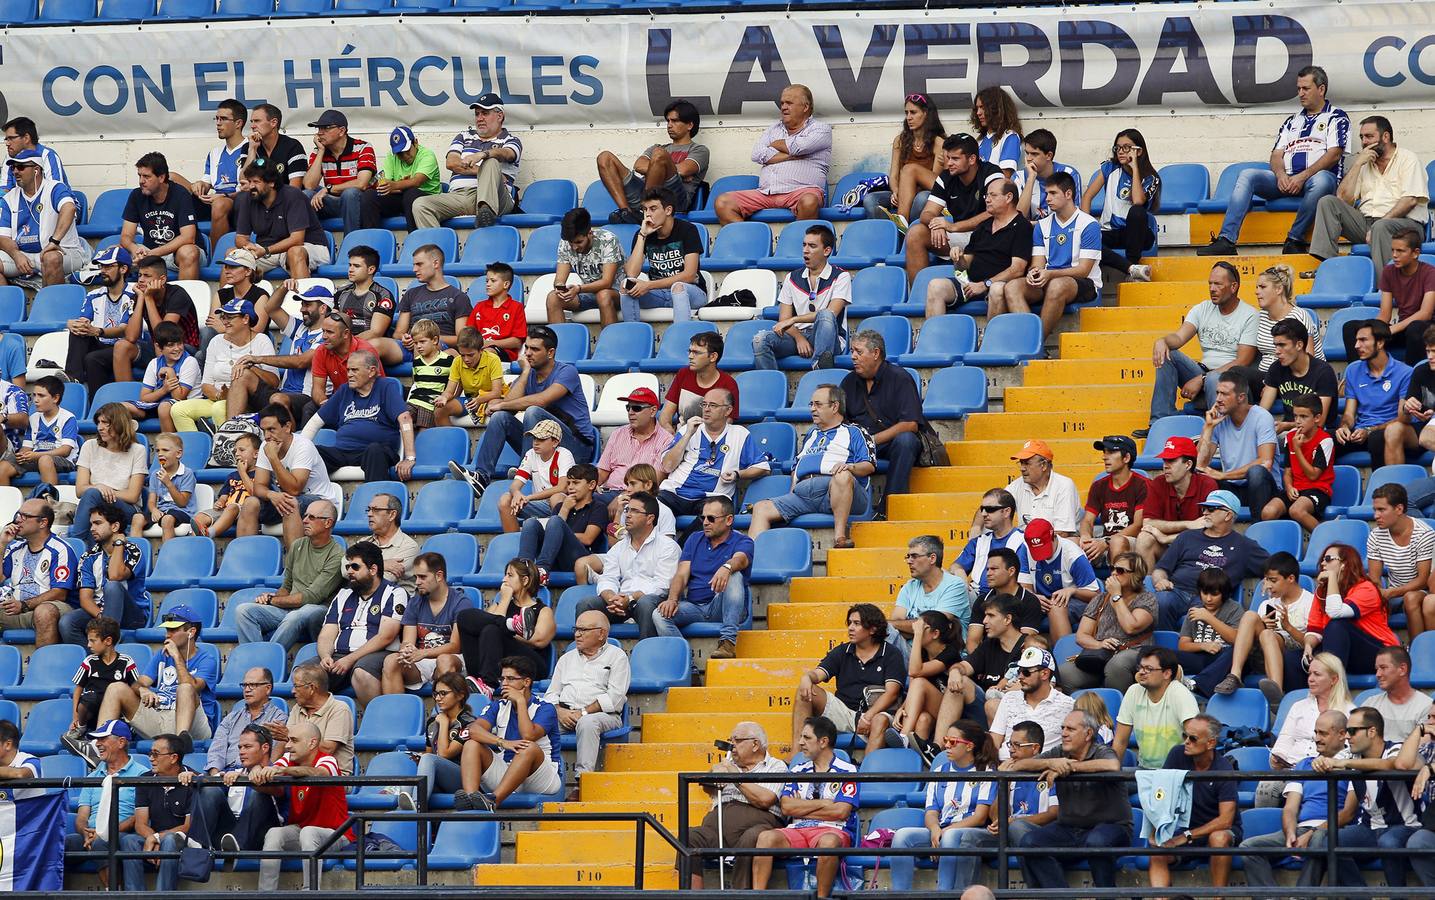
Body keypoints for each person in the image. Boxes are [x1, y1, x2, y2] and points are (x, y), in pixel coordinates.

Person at [1200, 65, 1350, 255]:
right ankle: (1226, 240)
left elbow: (1334, 154)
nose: (1300, 94)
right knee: (1247, 175)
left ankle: (1294, 239)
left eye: (1306, 88)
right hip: (1287, 181)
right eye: (1298, 89)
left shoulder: (1336, 117)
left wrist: (1301, 177)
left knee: (1322, 180)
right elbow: (1276, 154)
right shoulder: (1292, 121)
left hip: (1315, 181)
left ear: (1321, 89)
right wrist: (1280, 175)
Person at [451, 326, 598, 489]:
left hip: (576, 447)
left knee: (533, 411)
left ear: (550, 353)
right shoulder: (530, 374)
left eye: (534, 349)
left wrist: (501, 403)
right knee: (501, 418)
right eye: (526, 348)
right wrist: (526, 372)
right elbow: (508, 408)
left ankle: (525, 472)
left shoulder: (567, 371)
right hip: (546, 447)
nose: (528, 353)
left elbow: (541, 400)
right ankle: (482, 476)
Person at [1007, 709, 1129, 890]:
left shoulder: (1102, 750)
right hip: (1069, 829)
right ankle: (1060, 895)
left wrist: (1071, 767)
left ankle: (1106, 895)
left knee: (1097, 842)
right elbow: (1020, 764)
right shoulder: (1059, 753)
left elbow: (1112, 765)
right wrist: (1052, 763)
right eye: (1063, 728)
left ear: (1088, 734)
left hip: (1111, 827)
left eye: (1070, 729)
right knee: (1030, 843)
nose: (1064, 733)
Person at [1238, 710, 1360, 888]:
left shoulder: (1353, 765)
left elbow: (1348, 813)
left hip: (1333, 830)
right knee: (1249, 847)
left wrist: (1311, 834)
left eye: (1323, 733)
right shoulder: (1304, 764)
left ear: (1342, 734)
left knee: (1319, 840)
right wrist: (1290, 834)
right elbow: (1290, 808)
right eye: (1316, 733)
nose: (1317, 738)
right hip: (1302, 829)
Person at [748, 385, 873, 549]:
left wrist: (849, 467)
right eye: (811, 404)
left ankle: (840, 537)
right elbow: (796, 466)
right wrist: (793, 490)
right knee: (761, 508)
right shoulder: (811, 434)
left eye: (818, 404)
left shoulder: (855, 431)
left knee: (842, 475)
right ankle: (750, 561)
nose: (812, 409)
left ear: (835, 406)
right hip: (804, 494)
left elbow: (869, 465)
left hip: (836, 490)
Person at [750, 716, 859, 898]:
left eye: (806, 738)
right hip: (797, 830)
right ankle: (757, 897)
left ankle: (821, 898)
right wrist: (823, 804)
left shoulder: (848, 771)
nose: (800, 743)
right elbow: (786, 808)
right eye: (801, 737)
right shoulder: (797, 770)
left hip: (832, 831)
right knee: (766, 837)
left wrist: (801, 805)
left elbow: (841, 811)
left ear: (823, 742)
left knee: (829, 843)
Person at [889, 720, 998, 893]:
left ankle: (943, 893)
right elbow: (931, 811)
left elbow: (980, 817)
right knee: (902, 836)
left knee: (950, 836)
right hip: (942, 829)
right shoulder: (940, 771)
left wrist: (946, 831)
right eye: (946, 740)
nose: (946, 745)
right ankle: (899, 894)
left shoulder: (986, 771)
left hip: (969, 831)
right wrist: (934, 829)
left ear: (969, 746)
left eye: (953, 742)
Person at [1148, 263, 1258, 424]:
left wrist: (1203, 379)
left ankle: (1221, 430)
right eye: (1210, 284)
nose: (1212, 289)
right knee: (1168, 353)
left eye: (1218, 284)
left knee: (1214, 378)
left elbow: (1242, 361)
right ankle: (1160, 423)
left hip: (1231, 379)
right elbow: (1178, 338)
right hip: (1203, 373)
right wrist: (1162, 341)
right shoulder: (1202, 309)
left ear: (1233, 286)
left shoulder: (1250, 316)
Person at [251, 720, 354, 891]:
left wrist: (283, 771)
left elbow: (318, 773)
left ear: (312, 743)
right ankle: (265, 893)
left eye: (294, 741)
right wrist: (256, 770)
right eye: (288, 740)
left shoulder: (328, 760)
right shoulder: (288, 759)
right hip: (303, 831)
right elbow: (269, 771)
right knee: (274, 834)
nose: (288, 746)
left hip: (336, 834)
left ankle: (310, 893)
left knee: (309, 832)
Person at [683, 721, 787, 889]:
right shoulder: (727, 765)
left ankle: (740, 893)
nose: (732, 746)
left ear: (755, 745)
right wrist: (712, 775)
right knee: (688, 836)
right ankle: (694, 895)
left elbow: (765, 800)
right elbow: (708, 790)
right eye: (731, 740)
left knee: (753, 836)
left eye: (737, 741)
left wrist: (735, 777)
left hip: (758, 824)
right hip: (717, 829)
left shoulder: (775, 766)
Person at [1312, 115, 1428, 265]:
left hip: (1405, 226)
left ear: (1385, 137)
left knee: (1380, 227)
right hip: (1367, 225)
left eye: (1369, 136)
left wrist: (1380, 224)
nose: (1364, 142)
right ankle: (1329, 266)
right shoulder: (1365, 164)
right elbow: (1342, 199)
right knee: (1328, 202)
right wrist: (1358, 164)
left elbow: (1410, 200)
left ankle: (1384, 286)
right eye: (1361, 137)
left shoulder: (1408, 159)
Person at [1151, 489, 1269, 631]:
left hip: (1212, 598)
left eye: (1212, 509)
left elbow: (1276, 566)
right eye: (1204, 508)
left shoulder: (1244, 546)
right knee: (1161, 601)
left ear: (1228, 515)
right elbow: (1161, 569)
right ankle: (1166, 645)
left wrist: (1268, 579)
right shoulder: (1187, 536)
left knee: (1203, 615)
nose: (1205, 512)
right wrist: (1160, 580)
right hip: (1177, 591)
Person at [842, 329, 933, 512]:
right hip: (861, 444)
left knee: (906, 440)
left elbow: (910, 424)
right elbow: (841, 421)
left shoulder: (900, 378)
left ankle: (890, 507)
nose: (853, 357)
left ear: (876, 353)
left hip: (891, 443)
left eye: (858, 352)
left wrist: (871, 441)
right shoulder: (849, 381)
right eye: (852, 351)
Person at [233, 498, 343, 649]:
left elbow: (312, 597)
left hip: (318, 610)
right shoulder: (298, 545)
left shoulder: (337, 555)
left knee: (296, 615)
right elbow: (287, 585)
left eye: (311, 517)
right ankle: (254, 656)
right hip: (291, 608)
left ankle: (269, 658)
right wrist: (271, 597)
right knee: (243, 611)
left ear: (328, 523)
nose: (304, 520)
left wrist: (274, 600)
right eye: (305, 516)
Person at [99, 602, 218, 740]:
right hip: (161, 717)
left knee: (185, 688)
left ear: (191, 632)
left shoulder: (207, 660)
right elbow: (139, 683)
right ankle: (99, 743)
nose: (168, 635)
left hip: (193, 725)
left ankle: (180, 744)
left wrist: (177, 656)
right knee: (116, 688)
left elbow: (193, 688)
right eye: (167, 630)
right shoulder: (161, 655)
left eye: (173, 630)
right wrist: (143, 690)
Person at [791, 604, 904, 749]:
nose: (850, 628)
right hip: (845, 712)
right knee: (806, 691)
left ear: (872, 629)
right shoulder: (842, 651)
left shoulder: (891, 653)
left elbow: (892, 693)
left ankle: (867, 771)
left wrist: (868, 716)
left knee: (879, 720)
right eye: (849, 623)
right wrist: (806, 678)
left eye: (856, 623)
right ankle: (796, 756)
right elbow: (817, 674)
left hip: (877, 713)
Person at [459, 654, 564, 810]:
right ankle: (471, 801)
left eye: (510, 679)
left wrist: (520, 701)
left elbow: (528, 736)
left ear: (526, 682)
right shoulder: (498, 705)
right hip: (507, 771)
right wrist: (502, 743)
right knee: (472, 744)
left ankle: (493, 801)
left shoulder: (545, 708)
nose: (504, 684)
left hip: (540, 777)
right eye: (502, 679)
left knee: (528, 747)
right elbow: (473, 730)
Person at [1148, 713, 1240, 890]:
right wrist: (1155, 828)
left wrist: (1185, 836)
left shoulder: (1223, 768)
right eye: (1185, 736)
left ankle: (1217, 896)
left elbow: (1226, 821)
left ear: (1211, 743)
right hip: (1186, 829)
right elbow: (1162, 793)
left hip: (1219, 830)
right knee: (1157, 852)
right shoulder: (1177, 754)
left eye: (1193, 738)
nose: (1186, 742)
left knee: (1218, 838)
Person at [715, 85, 830, 224]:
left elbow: (798, 148)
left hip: (801, 192)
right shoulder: (773, 129)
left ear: (805, 107)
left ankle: (798, 243)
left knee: (809, 201)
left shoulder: (821, 129)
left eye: (789, 103)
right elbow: (757, 154)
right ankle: (751, 242)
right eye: (782, 103)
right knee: (723, 203)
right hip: (766, 193)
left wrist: (776, 145)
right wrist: (789, 155)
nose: (784, 107)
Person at [656, 495, 753, 659]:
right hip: (694, 607)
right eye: (703, 518)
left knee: (734, 574)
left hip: (723, 606)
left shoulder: (743, 541)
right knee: (659, 615)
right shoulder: (694, 539)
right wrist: (672, 599)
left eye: (711, 518)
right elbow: (681, 574)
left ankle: (728, 642)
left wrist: (727, 567)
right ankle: (689, 666)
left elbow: (740, 559)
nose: (705, 522)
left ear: (729, 520)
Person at [541, 609, 630, 786]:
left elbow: (615, 697)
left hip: (603, 715)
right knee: (535, 724)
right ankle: (540, 778)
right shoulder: (566, 658)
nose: (577, 634)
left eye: (583, 630)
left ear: (601, 634)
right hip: (565, 714)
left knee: (587, 722)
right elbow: (551, 694)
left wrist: (583, 713)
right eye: (576, 629)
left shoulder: (617, 656)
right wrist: (560, 712)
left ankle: (583, 781)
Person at [902, 133, 1004, 283]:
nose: (949, 163)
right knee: (915, 233)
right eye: (948, 158)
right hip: (962, 237)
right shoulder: (946, 177)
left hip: (990, 237)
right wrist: (936, 224)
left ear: (972, 159)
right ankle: (919, 297)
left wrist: (954, 226)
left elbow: (998, 212)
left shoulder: (991, 173)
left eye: (955, 159)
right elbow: (927, 213)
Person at [1212, 552, 1313, 701]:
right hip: (1264, 654)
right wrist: (1264, 625)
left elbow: (1312, 643)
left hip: (1293, 654)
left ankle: (1276, 692)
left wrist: (1288, 627)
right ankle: (1234, 675)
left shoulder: (1309, 602)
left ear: (1291, 578)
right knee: (1250, 616)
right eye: (1266, 580)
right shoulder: (1268, 603)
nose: (1269, 585)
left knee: (1267, 634)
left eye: (1273, 580)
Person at [576, 493, 680, 637]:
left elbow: (662, 586)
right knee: (586, 603)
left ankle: (646, 654)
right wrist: (611, 597)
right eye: (627, 510)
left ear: (650, 518)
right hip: (620, 602)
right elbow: (608, 578)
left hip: (648, 601)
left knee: (646, 603)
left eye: (635, 511)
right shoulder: (618, 547)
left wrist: (631, 598)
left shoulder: (668, 546)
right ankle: (589, 656)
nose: (628, 515)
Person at [927, 177, 1032, 319]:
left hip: (997, 286)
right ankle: (935, 339)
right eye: (986, 195)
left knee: (996, 289)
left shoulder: (1022, 226)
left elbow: (1017, 269)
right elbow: (964, 266)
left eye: (993, 195)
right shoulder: (984, 225)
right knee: (935, 286)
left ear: (1008, 197)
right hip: (971, 284)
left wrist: (985, 284)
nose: (987, 200)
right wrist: (958, 258)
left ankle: (991, 339)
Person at [656, 387, 768, 521]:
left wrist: (737, 474)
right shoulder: (688, 429)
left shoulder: (740, 434)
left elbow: (763, 468)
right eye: (704, 404)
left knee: (713, 517)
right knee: (649, 510)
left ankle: (685, 542)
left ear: (728, 410)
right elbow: (667, 466)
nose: (706, 409)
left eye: (713, 405)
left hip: (711, 497)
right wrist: (687, 435)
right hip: (674, 493)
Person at [413, 94, 522, 229]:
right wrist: (487, 173)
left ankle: (485, 211)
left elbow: (507, 153)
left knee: (491, 161)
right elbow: (452, 163)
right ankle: (436, 249)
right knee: (420, 205)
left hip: (496, 198)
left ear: (500, 116)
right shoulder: (464, 136)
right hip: (460, 195)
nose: (479, 118)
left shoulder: (510, 140)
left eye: (485, 113)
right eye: (477, 114)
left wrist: (482, 155)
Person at [316, 542, 407, 705]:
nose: (349, 571)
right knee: (305, 674)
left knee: (361, 673)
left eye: (355, 567)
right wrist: (325, 656)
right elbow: (327, 634)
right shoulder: (343, 594)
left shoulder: (394, 593)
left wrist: (350, 659)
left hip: (377, 654)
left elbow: (386, 636)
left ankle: (378, 721)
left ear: (373, 570)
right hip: (338, 656)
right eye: (348, 566)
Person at [309, 350, 416, 484]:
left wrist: (410, 458)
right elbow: (316, 421)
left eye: (354, 370)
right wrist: (299, 449)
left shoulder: (386, 386)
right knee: (311, 453)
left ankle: (375, 500)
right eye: (348, 370)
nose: (349, 375)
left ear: (371, 371)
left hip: (375, 452)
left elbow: (405, 419)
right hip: (343, 452)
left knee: (374, 450)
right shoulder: (344, 390)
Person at [1057, 551, 1158, 692]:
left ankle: (1120, 708)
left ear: (1136, 574)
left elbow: (1131, 627)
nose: (1114, 573)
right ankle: (1089, 706)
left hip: (1134, 651)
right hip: (1101, 654)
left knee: (1116, 665)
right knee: (1063, 673)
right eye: (1112, 569)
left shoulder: (1146, 599)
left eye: (1120, 570)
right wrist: (1099, 644)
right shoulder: (1100, 599)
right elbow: (1082, 636)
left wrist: (1117, 596)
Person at [172, 299, 279, 432]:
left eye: (230, 317)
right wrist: (219, 395)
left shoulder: (262, 340)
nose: (225, 321)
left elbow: (274, 381)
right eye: (223, 317)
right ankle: (201, 447)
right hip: (216, 399)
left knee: (219, 409)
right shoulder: (216, 341)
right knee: (178, 410)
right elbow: (206, 384)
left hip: (246, 402)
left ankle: (225, 446)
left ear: (245, 319)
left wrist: (251, 368)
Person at [63, 720, 147, 888]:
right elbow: (82, 816)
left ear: (121, 742)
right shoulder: (92, 776)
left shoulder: (142, 774)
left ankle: (114, 892)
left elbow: (138, 817)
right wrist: (85, 833)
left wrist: (105, 833)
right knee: (60, 844)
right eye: (97, 739)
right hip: (92, 835)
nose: (98, 744)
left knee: (101, 842)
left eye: (103, 739)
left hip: (121, 833)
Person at [753, 225, 850, 371]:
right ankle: (771, 384)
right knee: (760, 340)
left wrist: (794, 319)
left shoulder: (841, 276)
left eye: (812, 246)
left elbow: (831, 313)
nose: (805, 250)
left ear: (826, 251)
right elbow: (783, 320)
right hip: (796, 336)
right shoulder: (791, 277)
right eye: (804, 245)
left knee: (825, 315)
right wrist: (799, 338)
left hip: (830, 338)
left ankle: (819, 369)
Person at [1020, 170, 1102, 340]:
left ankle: (1035, 344)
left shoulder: (1089, 224)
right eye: (1046, 193)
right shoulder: (1041, 226)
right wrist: (1033, 272)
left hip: (1083, 283)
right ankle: (1028, 339)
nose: (1047, 198)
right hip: (1050, 278)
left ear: (1068, 194)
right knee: (1012, 288)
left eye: (1053, 193)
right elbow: (1037, 263)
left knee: (1057, 285)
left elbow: (1084, 270)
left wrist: (1050, 273)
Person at [455, 558, 555, 698]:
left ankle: (488, 684)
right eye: (505, 574)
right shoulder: (500, 604)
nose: (504, 579)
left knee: (492, 629)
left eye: (510, 575)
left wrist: (509, 634)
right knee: (464, 617)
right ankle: (510, 625)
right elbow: (485, 632)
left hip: (530, 666)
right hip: (496, 665)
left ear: (525, 580)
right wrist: (505, 600)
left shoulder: (542, 610)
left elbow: (538, 640)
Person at [597, 99, 709, 222]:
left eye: (675, 121)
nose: (669, 125)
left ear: (689, 125)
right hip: (643, 190)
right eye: (668, 121)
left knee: (659, 155)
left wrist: (659, 166)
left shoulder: (699, 150)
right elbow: (638, 165)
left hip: (673, 199)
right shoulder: (658, 147)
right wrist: (660, 168)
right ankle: (627, 213)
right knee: (605, 157)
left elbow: (684, 169)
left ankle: (645, 210)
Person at [932, 595, 1026, 740]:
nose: (984, 621)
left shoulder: (1031, 646)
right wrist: (955, 672)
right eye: (984, 616)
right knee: (959, 682)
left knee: (994, 705)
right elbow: (964, 666)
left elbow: (1054, 687)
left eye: (991, 616)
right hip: (984, 711)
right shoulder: (989, 644)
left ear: (1008, 619)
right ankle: (938, 747)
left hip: (1016, 717)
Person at [242, 404, 334, 548]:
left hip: (318, 501)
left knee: (289, 503)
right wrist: (271, 494)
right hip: (283, 499)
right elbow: (258, 486)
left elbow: (295, 489)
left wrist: (273, 458)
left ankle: (294, 565)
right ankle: (246, 559)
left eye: (271, 429)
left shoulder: (303, 446)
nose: (267, 436)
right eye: (264, 430)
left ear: (287, 427)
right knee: (250, 503)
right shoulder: (266, 445)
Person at [61, 502, 151, 646]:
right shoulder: (88, 557)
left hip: (132, 614)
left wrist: (119, 544)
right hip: (99, 612)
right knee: (67, 622)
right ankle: (93, 659)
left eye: (98, 523)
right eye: (91, 524)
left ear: (115, 526)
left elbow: (115, 576)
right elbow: (85, 599)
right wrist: (101, 617)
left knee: (112, 587)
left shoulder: (133, 551)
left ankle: (107, 649)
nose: (92, 529)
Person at [1306, 542, 1400, 677]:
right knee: (1293, 658)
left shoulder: (1366, 588)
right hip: (1346, 652)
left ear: (1344, 564)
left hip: (1380, 653)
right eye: (1322, 559)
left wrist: (1332, 576)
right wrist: (1308, 647)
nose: (1322, 564)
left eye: (1328, 559)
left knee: (1336, 625)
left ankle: (1332, 691)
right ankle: (1286, 696)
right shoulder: (1322, 592)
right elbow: (1315, 629)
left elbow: (1335, 612)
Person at [383, 551, 471, 694]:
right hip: (422, 660)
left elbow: (455, 646)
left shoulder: (460, 602)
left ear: (439, 576)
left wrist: (423, 653)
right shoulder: (415, 601)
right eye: (416, 577)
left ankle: (444, 715)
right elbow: (408, 641)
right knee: (391, 661)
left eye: (422, 577)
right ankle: (396, 713)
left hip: (452, 659)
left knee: (444, 660)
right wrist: (407, 650)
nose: (417, 582)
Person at [187, 723, 283, 855]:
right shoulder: (234, 772)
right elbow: (208, 787)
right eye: (240, 747)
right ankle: (197, 843)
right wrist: (191, 775)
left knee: (259, 793)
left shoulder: (277, 771)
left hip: (263, 833)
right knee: (209, 789)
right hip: (229, 837)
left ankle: (235, 848)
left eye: (247, 747)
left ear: (265, 747)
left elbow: (279, 793)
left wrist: (248, 778)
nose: (241, 752)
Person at [1266, 653, 1354, 795]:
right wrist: (1277, 757)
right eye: (1310, 674)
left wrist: (1326, 763)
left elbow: (1350, 750)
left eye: (1317, 674)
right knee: (1266, 789)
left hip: (1326, 772)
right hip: (1291, 771)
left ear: (1334, 679)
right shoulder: (1298, 706)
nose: (1310, 679)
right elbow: (1285, 740)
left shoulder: (1349, 711)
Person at [0, 148, 89, 286]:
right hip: (25, 255)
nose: (16, 171)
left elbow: (69, 208)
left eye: (21, 167)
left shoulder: (55, 188)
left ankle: (52, 307)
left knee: (50, 258)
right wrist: (16, 255)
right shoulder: (9, 198)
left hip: (64, 251)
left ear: (36, 170)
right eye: (13, 167)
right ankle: (7, 305)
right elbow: (3, 237)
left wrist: (54, 241)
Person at [1197, 369, 1280, 516]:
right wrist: (1208, 428)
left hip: (1264, 490)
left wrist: (1223, 475)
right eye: (1217, 393)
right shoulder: (1219, 420)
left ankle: (1257, 528)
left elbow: (1265, 462)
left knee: (1256, 472)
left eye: (1225, 394)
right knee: (1200, 476)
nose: (1218, 399)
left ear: (1241, 397)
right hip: (1234, 488)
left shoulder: (1262, 417)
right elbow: (1200, 464)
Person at [247, 280, 330, 425]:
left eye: (308, 305)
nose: (302, 309)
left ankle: (291, 441)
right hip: (283, 392)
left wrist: (258, 359)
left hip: (306, 397)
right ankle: (233, 429)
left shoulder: (328, 335)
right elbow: (271, 308)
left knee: (278, 399)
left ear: (323, 308)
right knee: (244, 377)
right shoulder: (300, 327)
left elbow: (301, 362)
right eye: (302, 304)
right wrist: (284, 288)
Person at [1082, 128, 1160, 282]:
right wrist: (1085, 226)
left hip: (1137, 235)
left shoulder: (1151, 177)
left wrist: (1135, 168)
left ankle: (1132, 265)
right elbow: (1087, 197)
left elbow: (1137, 201)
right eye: (1118, 147)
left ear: (1138, 151)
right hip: (1110, 232)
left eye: (1127, 147)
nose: (1121, 151)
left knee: (1137, 211)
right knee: (1085, 242)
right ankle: (1131, 269)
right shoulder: (1109, 168)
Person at [620, 188, 707, 322]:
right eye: (645, 209)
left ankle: (680, 337)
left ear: (668, 210)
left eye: (653, 209)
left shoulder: (688, 230)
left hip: (691, 292)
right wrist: (642, 235)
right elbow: (631, 273)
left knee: (678, 287)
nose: (647, 214)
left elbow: (689, 275)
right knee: (627, 286)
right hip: (659, 293)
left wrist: (648, 285)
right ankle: (632, 334)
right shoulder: (642, 234)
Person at [119, 733, 193, 892]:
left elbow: (188, 826)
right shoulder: (145, 779)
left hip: (184, 843)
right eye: (150, 753)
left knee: (170, 841)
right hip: (154, 839)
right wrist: (152, 838)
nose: (151, 758)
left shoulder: (192, 779)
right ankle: (134, 896)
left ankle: (163, 895)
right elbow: (140, 823)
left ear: (173, 758)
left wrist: (157, 837)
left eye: (156, 754)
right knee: (129, 841)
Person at [0, 498, 77, 646]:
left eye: (25, 516)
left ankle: (44, 667)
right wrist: (2, 544)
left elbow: (60, 593)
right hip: (17, 609)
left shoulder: (61, 550)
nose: (17, 521)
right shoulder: (16, 548)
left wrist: (24, 604)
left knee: (44, 612)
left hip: (52, 608)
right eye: (18, 515)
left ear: (43, 523)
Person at [1353, 229, 1435, 367]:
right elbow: (1385, 315)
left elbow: (1425, 314)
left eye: (1400, 251)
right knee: (1352, 327)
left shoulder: (1430, 273)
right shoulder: (1389, 271)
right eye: (1393, 250)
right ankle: (1360, 376)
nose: (1395, 255)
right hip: (1404, 329)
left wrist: (1393, 329)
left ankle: (1410, 378)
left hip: (1427, 330)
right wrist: (1372, 330)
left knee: (1415, 329)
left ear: (1415, 253)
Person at [1338, 319, 1417, 462]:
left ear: (1380, 343)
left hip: (1386, 431)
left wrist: (1370, 431)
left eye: (1363, 340)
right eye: (1356, 340)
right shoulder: (1352, 369)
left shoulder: (1405, 372)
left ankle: (1382, 484)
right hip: (1360, 432)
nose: (1356, 346)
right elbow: (1349, 413)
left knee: (1377, 438)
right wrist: (1344, 427)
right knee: (1325, 439)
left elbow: (1403, 418)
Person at [65, 246, 140, 396]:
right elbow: (84, 321)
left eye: (108, 266)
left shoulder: (134, 292)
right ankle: (73, 380)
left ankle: (99, 405)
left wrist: (98, 331)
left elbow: (125, 329)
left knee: (92, 359)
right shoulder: (94, 294)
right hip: (101, 344)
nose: (102, 270)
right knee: (78, 333)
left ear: (123, 269)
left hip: (126, 347)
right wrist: (73, 324)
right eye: (101, 266)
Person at [233, 163, 330, 278]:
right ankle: (228, 296)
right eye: (249, 182)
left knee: (294, 252)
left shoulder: (293, 195)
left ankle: (304, 295)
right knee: (233, 256)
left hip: (309, 246)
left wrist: (266, 250)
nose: (251, 186)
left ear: (271, 183)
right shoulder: (248, 198)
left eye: (256, 182)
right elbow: (241, 238)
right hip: (267, 251)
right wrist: (249, 247)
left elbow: (297, 240)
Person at [1134, 436, 1219, 569]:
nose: (1165, 466)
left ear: (1188, 464)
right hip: (1168, 551)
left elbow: (1209, 527)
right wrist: (1189, 525)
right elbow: (1148, 523)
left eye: (1171, 460)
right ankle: (1148, 588)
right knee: (1144, 538)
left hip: (1198, 551)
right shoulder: (1158, 483)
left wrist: (1167, 538)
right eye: (1164, 460)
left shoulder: (1207, 484)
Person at [517, 463, 608, 586]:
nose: (570, 487)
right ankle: (522, 569)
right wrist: (564, 510)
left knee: (556, 521)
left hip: (579, 559)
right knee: (530, 523)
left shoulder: (598, 508)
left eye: (576, 483)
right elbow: (553, 532)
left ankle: (542, 570)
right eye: (569, 483)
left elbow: (588, 539)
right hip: (555, 556)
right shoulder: (561, 506)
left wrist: (561, 533)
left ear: (591, 485)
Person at [69, 404, 147, 547]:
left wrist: (104, 491)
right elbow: (80, 490)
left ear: (119, 424)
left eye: (105, 423)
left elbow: (132, 496)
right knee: (94, 499)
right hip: (96, 505)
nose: (99, 427)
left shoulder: (138, 450)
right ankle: (91, 556)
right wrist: (99, 487)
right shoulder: (89, 446)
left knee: (93, 494)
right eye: (98, 422)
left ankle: (75, 544)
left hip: (126, 508)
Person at [885, 611, 964, 750]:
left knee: (919, 681)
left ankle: (903, 737)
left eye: (922, 627)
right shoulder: (921, 654)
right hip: (931, 711)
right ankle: (915, 762)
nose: (916, 629)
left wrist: (917, 636)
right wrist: (902, 709)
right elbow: (915, 686)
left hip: (950, 710)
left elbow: (915, 672)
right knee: (923, 720)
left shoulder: (950, 653)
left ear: (935, 634)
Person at [861, 92, 945, 222]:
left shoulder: (938, 142)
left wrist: (909, 191)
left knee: (919, 192)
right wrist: (896, 191)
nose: (909, 117)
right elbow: (893, 176)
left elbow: (934, 182)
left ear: (926, 113)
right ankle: (895, 231)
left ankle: (900, 222)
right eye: (906, 113)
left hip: (925, 192)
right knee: (870, 200)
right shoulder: (900, 140)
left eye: (913, 112)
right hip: (902, 192)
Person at [1112, 644, 1200, 768]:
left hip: (1177, 774)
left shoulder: (1179, 693)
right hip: (1143, 771)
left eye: (1149, 668)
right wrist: (1112, 774)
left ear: (1167, 673)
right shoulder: (1133, 691)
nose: (1142, 672)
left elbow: (1195, 737)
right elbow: (1120, 741)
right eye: (1141, 667)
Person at [119, 152, 200, 281]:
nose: (141, 181)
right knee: (114, 252)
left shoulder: (180, 194)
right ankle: (121, 300)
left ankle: (182, 299)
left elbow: (188, 237)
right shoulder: (136, 195)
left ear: (161, 177)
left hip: (177, 252)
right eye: (139, 176)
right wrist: (136, 251)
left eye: (146, 176)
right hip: (148, 251)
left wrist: (152, 254)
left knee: (188, 252)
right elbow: (126, 236)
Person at [63, 616, 139, 752]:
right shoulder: (89, 662)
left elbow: (135, 689)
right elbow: (78, 689)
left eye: (93, 641)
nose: (88, 645)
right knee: (88, 698)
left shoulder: (126, 661)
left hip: (117, 714)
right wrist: (75, 718)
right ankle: (82, 728)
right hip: (93, 711)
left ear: (108, 641)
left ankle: (98, 745)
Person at [887, 534, 970, 659]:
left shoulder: (954, 585)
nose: (909, 561)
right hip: (912, 652)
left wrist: (903, 626)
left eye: (914, 556)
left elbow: (935, 627)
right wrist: (918, 627)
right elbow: (894, 625)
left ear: (932, 558)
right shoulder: (909, 587)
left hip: (944, 657)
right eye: (908, 556)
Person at [1367, 484, 1434, 636]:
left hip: (1421, 591)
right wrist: (1378, 593)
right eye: (1375, 510)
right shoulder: (1376, 535)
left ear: (1399, 509)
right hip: (1393, 592)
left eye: (1381, 510)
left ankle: (1415, 648)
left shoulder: (1424, 534)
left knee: (1411, 598)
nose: (1376, 516)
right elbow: (1374, 578)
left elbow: (1423, 580)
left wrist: (1390, 593)